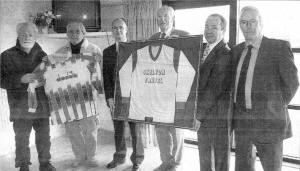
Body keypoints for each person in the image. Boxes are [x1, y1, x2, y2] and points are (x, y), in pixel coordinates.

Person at [232, 6, 299, 171]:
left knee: (271, 167)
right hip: (242, 122)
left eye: (252, 22)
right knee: (243, 167)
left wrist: (273, 106)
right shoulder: (236, 51)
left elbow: (292, 83)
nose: (248, 26)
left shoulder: (278, 47)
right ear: (240, 25)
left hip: (269, 122)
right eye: (244, 22)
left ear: (261, 23)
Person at [0, 22, 56, 171]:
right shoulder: (5, 55)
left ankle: (45, 163)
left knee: (44, 136)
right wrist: (20, 79)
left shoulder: (43, 55)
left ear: (35, 36)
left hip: (41, 105)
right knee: (21, 138)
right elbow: (1, 80)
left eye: (30, 34)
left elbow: (51, 79)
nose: (27, 37)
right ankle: (23, 165)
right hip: (19, 106)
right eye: (23, 34)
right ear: (18, 35)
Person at [54, 22, 103, 168]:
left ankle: (92, 156)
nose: (74, 34)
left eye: (77, 31)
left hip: (88, 97)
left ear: (84, 33)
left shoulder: (94, 49)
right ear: (67, 34)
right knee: (72, 130)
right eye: (70, 32)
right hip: (68, 98)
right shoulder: (60, 52)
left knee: (90, 129)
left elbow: (99, 74)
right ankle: (80, 156)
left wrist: (99, 93)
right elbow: (56, 75)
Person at [149, 5, 189, 171]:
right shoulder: (153, 37)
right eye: (159, 17)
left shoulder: (184, 35)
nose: (162, 20)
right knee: (161, 131)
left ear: (172, 18)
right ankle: (166, 161)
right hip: (158, 93)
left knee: (177, 131)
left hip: (177, 93)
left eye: (166, 16)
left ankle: (176, 163)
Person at [103, 18, 144, 171]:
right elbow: (105, 76)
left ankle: (137, 161)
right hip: (116, 97)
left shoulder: (137, 48)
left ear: (126, 30)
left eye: (121, 28)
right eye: (115, 28)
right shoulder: (107, 52)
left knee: (136, 132)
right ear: (112, 31)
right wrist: (109, 97)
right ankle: (119, 157)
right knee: (118, 130)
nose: (118, 31)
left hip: (134, 98)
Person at [196, 14, 232, 171]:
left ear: (223, 30)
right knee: (204, 155)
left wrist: (198, 115)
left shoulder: (225, 53)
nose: (208, 30)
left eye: (214, 27)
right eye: (206, 26)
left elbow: (214, 89)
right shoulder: (203, 48)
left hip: (218, 117)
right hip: (204, 114)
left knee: (219, 159)